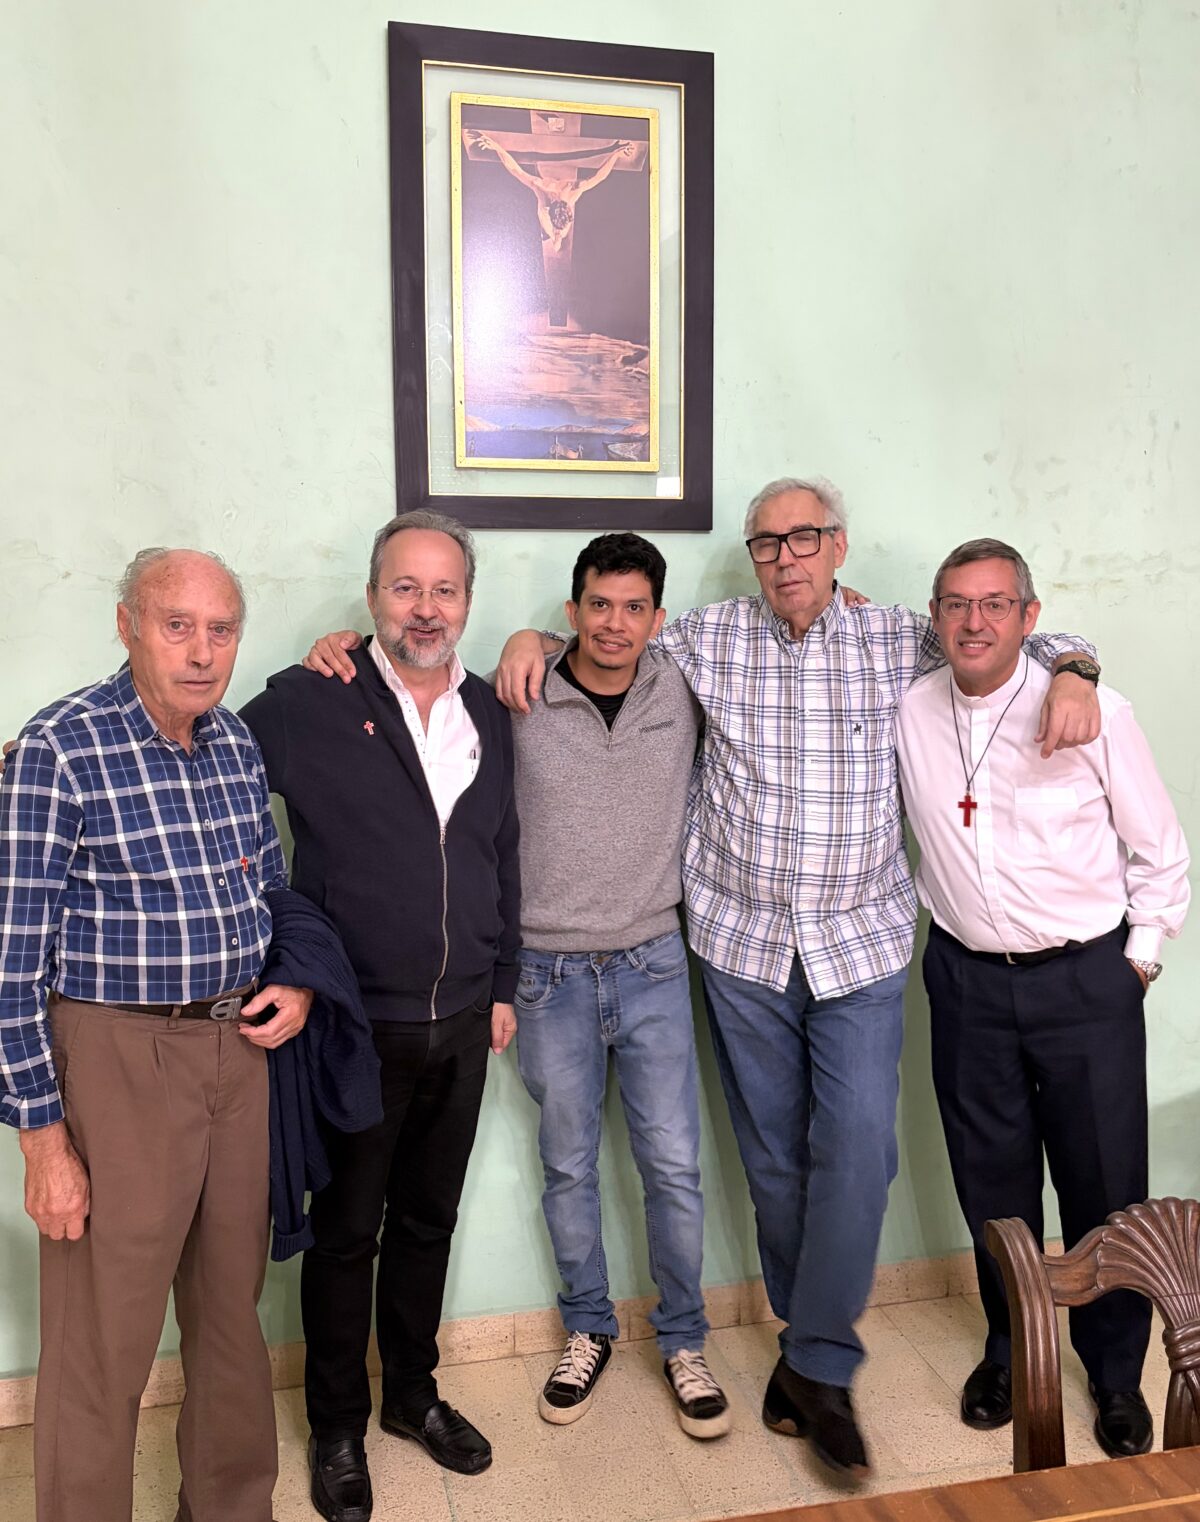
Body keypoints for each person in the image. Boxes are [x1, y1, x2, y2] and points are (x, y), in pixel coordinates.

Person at [489, 476, 1102, 1480]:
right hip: (740, 947)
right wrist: (526, 637)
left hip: (859, 944)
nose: (786, 558)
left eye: (805, 538)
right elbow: (603, 639)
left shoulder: (898, 638)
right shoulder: (707, 638)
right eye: (768, 543)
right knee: (773, 1162)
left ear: (839, 546)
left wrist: (1073, 669)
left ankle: (819, 1361)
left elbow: (1006, 634)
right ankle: (800, 1349)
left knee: (858, 1149)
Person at [303, 532, 732, 1440]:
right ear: (571, 612)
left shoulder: (685, 683)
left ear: (659, 618)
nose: (615, 624)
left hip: (654, 962)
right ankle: (588, 1328)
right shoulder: (517, 694)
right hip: (547, 975)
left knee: (673, 1166)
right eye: (597, 605)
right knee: (567, 1164)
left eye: (635, 608)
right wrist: (512, 643)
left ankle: (685, 1341)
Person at [0, 548, 313, 1522]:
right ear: (128, 625)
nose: (202, 651)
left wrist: (292, 977)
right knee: (105, 1336)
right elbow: (9, 963)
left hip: (237, 1051)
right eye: (178, 625)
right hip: (117, 1059)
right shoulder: (60, 748)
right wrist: (43, 1141)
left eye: (221, 629)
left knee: (230, 1314)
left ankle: (230, 1508)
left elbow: (268, 888)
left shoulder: (235, 743)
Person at [239, 511, 520, 1522]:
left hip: (464, 1019)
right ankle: (337, 1427)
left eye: (444, 590)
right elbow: (204, 766)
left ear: (467, 603)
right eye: (406, 588)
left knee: (429, 1222)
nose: (425, 609)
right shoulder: (311, 699)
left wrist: (504, 980)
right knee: (347, 1232)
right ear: (371, 598)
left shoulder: (489, 710)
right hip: (355, 1024)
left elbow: (503, 853)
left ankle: (412, 1394)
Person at [893, 537, 1189, 1459]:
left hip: (1085, 979)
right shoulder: (910, 706)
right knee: (991, 1182)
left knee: (1104, 1182)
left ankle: (1115, 1371)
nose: (973, 622)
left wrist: (1137, 962)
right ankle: (1009, 1346)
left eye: (995, 604)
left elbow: (1160, 848)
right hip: (966, 979)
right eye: (955, 604)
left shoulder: (1092, 707)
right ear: (935, 617)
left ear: (1029, 616)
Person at [466, 130, 638, 253]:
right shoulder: (556, 191)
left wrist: (496, 147)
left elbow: (516, 170)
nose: (557, 194)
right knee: (558, 237)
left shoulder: (553, 195)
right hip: (556, 225)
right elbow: (599, 177)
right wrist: (616, 154)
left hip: (553, 225)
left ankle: (555, 240)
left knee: (556, 238)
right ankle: (556, 240)